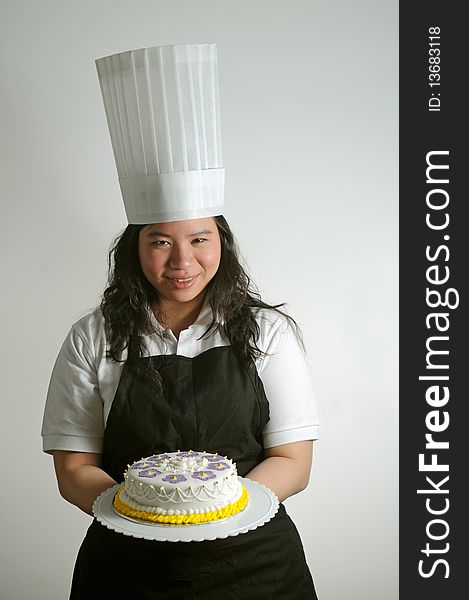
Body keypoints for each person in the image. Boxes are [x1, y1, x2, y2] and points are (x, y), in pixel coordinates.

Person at [41, 43, 320, 599]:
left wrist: (213, 510)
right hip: (127, 565)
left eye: (199, 239)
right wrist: (146, 510)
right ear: (134, 248)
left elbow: (293, 462)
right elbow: (74, 467)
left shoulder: (268, 333)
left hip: (257, 564)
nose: (181, 262)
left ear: (223, 243)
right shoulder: (92, 337)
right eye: (160, 241)